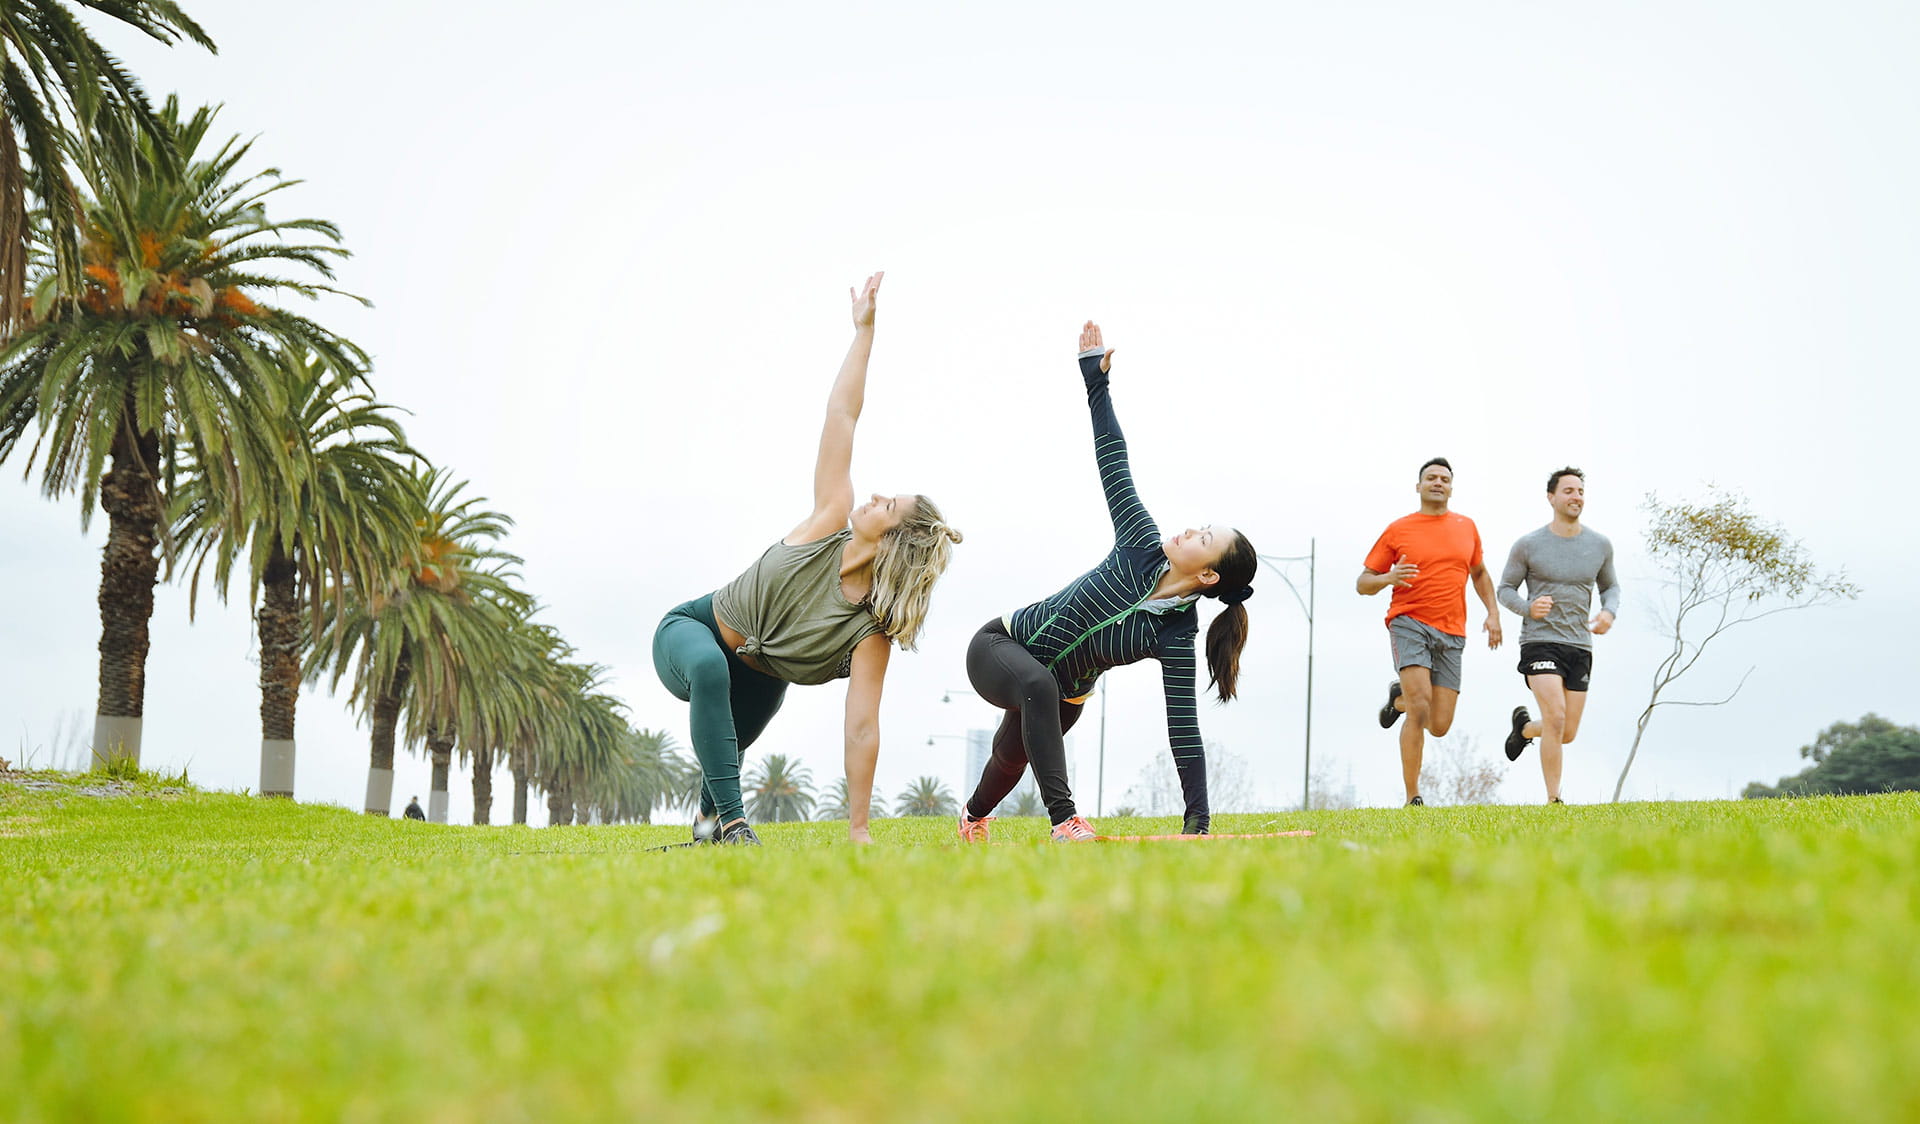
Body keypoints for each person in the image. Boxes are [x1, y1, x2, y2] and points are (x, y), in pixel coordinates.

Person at [652, 273, 961, 846]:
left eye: (886, 504)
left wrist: (860, 829)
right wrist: (864, 332)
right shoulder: (829, 517)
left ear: (893, 541)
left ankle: (705, 836)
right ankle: (738, 825)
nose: (871, 497)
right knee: (713, 669)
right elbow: (841, 416)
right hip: (692, 633)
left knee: (725, 758)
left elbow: (862, 726)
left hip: (759, 684)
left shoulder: (869, 632)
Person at [956, 321, 1256, 844]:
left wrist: (1197, 825)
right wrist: (1096, 382)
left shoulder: (1177, 635)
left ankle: (973, 818)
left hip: (1061, 694)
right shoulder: (1140, 539)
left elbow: (1183, 731)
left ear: (1207, 575)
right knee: (1037, 685)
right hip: (1000, 645)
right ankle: (1064, 823)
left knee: (1010, 758)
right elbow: (1113, 458)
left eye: (1202, 536)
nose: (1188, 529)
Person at [1358, 458, 1502, 806]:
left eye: (1445, 479)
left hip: (1452, 631)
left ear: (1451, 487)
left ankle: (1399, 700)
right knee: (1421, 709)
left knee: (1439, 724)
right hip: (1409, 622)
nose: (1438, 482)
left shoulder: (1466, 526)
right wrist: (1388, 578)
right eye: (1431, 478)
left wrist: (1493, 613)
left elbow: (1479, 573)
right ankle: (1413, 797)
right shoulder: (1399, 530)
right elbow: (1363, 583)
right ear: (1418, 486)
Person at [1498, 467, 1619, 804]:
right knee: (1556, 716)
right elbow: (1505, 589)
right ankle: (1554, 800)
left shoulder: (1599, 545)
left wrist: (1609, 612)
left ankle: (1524, 729)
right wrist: (1528, 608)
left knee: (1566, 732)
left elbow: (1611, 587)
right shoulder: (1528, 544)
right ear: (1551, 497)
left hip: (1579, 643)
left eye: (1580, 490)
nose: (1575, 496)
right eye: (1568, 491)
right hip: (1539, 640)